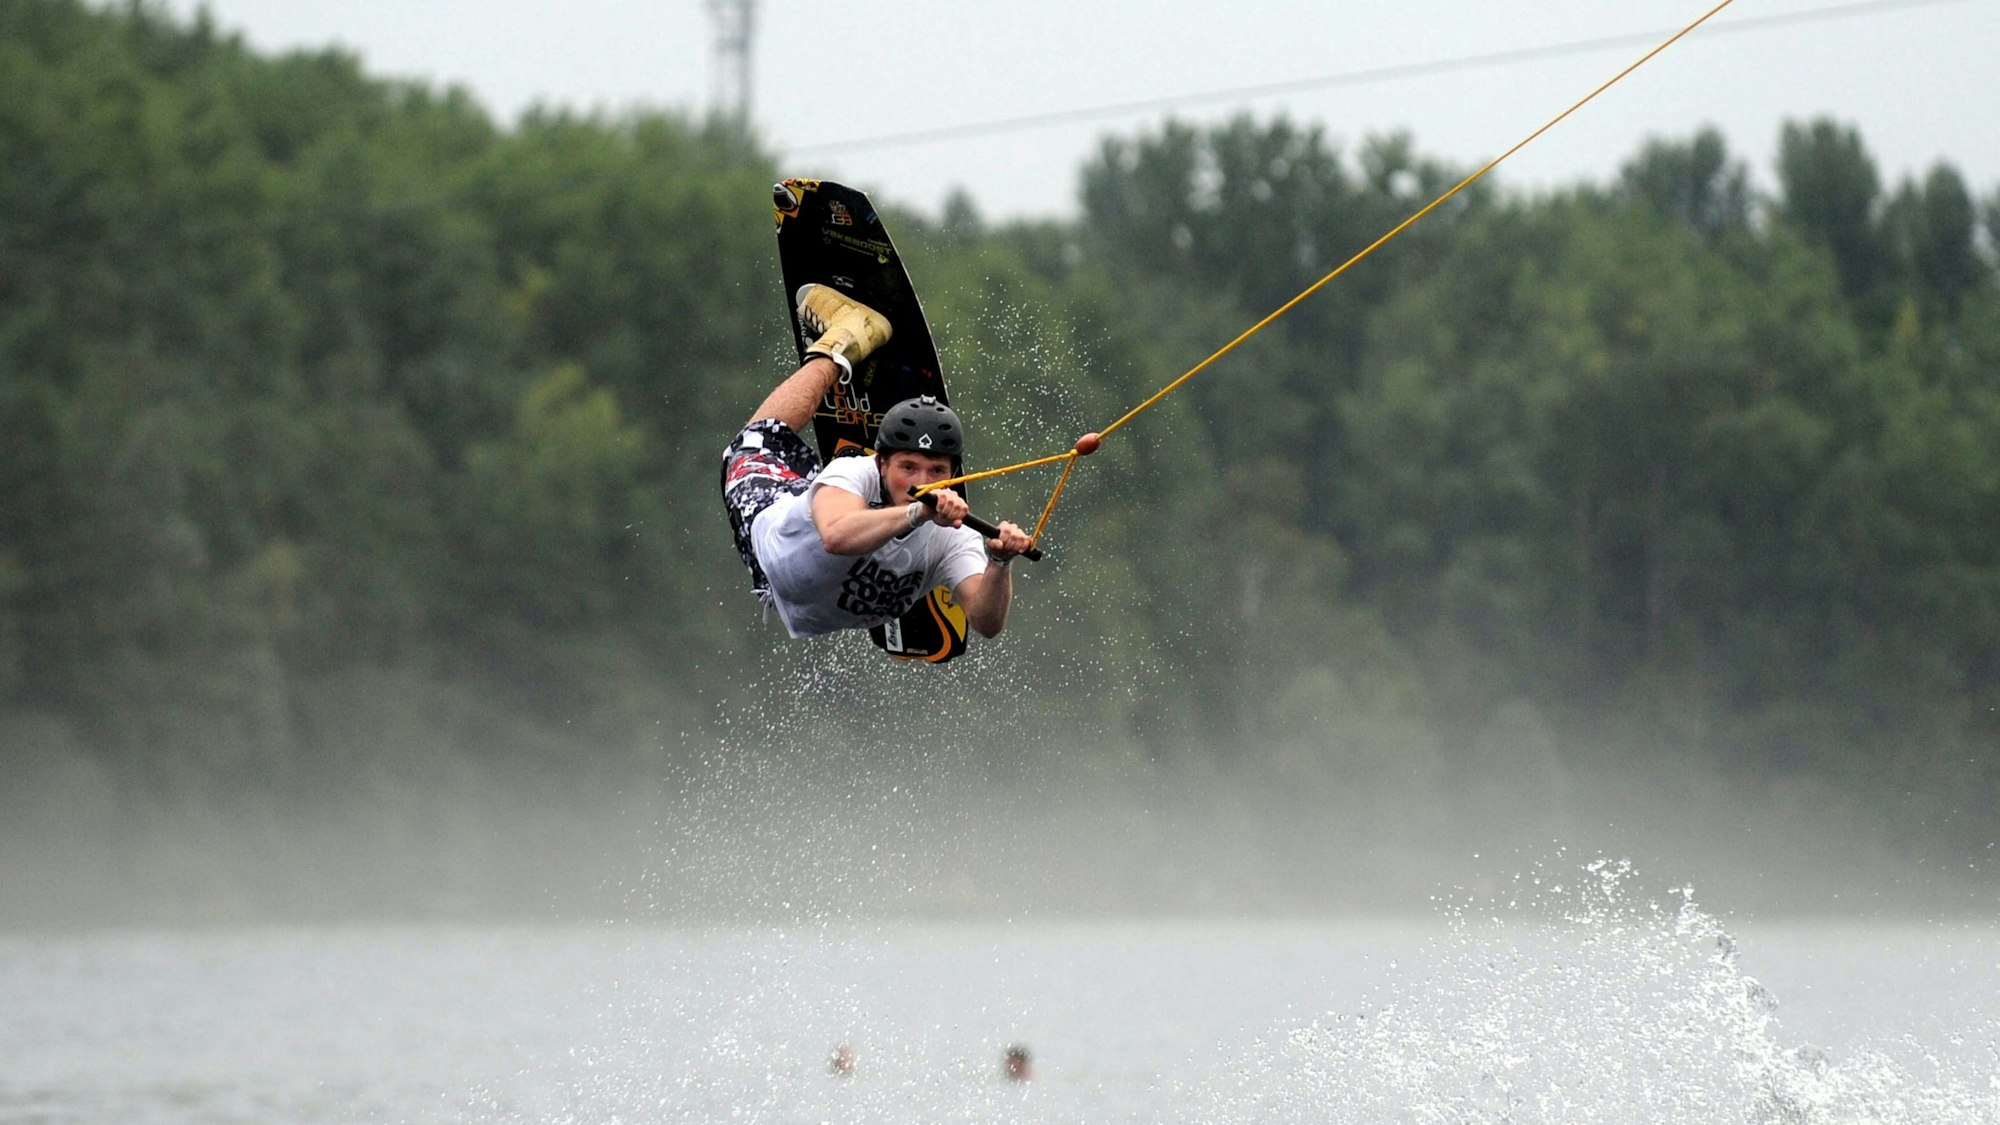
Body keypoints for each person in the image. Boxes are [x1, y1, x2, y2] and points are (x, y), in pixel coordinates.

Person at [720, 284, 1034, 639]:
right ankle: (841, 340)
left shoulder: (953, 537)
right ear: (881, 463)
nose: (923, 481)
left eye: (937, 471)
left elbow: (986, 623)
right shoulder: (856, 470)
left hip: (798, 590)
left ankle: (828, 493)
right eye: (908, 467)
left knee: (840, 501)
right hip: (766, 528)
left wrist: (1000, 563)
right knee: (754, 441)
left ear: (954, 474)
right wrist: (918, 513)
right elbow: (836, 536)